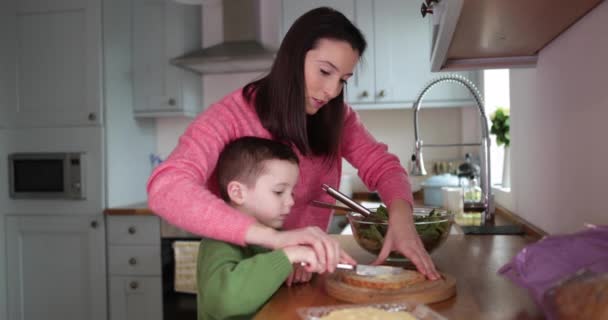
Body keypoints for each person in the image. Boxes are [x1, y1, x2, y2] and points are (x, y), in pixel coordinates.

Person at [147, 6, 440, 282]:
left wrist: (402, 218)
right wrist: (277, 242)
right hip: (244, 279)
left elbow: (383, 166)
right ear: (292, 57)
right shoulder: (229, 117)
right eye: (325, 72)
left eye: (343, 80)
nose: (331, 91)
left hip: (307, 277)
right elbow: (167, 188)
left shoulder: (338, 117)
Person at [197, 136, 324, 319]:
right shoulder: (218, 241)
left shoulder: (274, 232)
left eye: (292, 192)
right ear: (238, 193)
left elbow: (267, 279)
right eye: (279, 192)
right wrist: (288, 256)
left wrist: (297, 267)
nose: (290, 201)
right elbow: (223, 301)